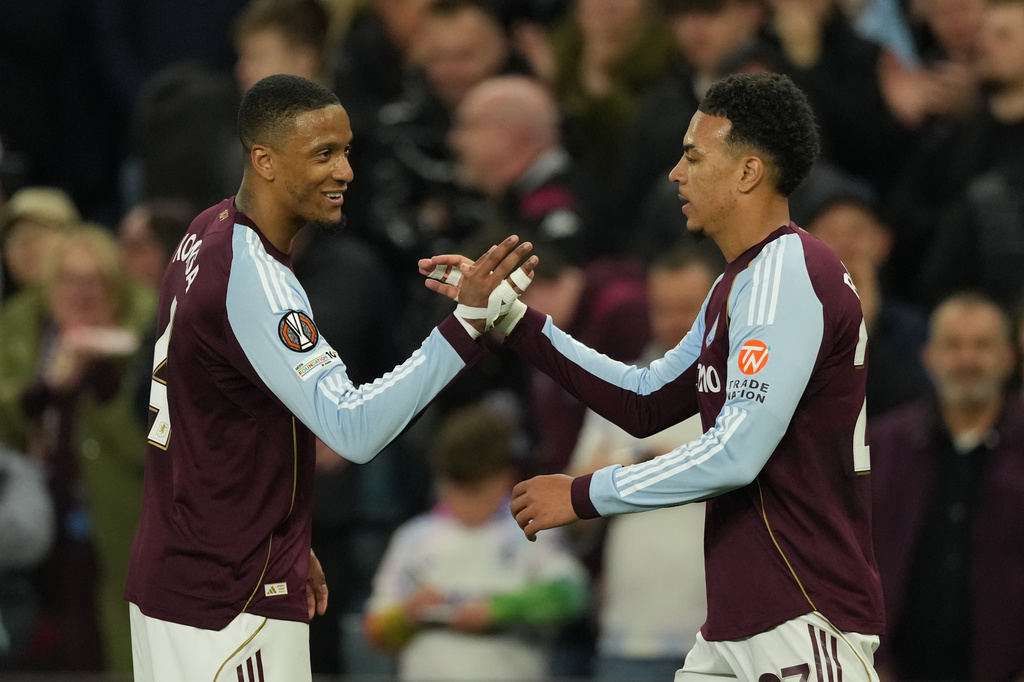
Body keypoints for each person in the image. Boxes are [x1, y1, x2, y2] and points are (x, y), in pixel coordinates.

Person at [421, 71, 885, 680]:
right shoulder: (739, 283)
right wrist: (511, 318)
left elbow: (735, 455)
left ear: (747, 172)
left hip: (804, 616)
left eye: (694, 155)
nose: (676, 173)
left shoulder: (785, 275)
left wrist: (585, 494)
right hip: (738, 624)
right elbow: (646, 398)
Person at [123, 73, 536, 682]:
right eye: (323, 154)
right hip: (232, 602)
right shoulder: (258, 279)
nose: (345, 171)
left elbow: (208, 419)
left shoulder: (203, 234)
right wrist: (468, 325)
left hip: (177, 581)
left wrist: (283, 531)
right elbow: (353, 429)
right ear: (263, 159)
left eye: (346, 151)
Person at [0, 224, 157, 672]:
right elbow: (10, 421)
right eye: (69, 280)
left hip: (118, 519)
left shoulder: (140, 344)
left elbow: (143, 450)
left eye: (94, 282)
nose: (81, 293)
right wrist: (49, 386)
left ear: (114, 288)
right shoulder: (27, 332)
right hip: (34, 524)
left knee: (114, 639)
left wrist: (103, 374)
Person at [567, 245, 722, 681]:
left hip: (725, 638)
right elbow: (573, 511)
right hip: (629, 637)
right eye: (663, 309)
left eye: (688, 310)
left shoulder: (748, 390)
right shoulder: (619, 389)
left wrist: (676, 466)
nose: (674, 323)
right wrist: (634, 460)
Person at [362, 402, 588, 682]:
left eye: (478, 491)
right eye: (456, 490)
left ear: (507, 477)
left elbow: (571, 595)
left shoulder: (533, 529)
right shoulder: (414, 538)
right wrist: (407, 614)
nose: (466, 505)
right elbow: (375, 631)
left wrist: (496, 610)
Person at [869, 292, 1024, 681]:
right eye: (953, 345)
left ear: (1009, 358)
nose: (967, 360)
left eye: (982, 345)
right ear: (929, 357)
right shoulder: (883, 447)